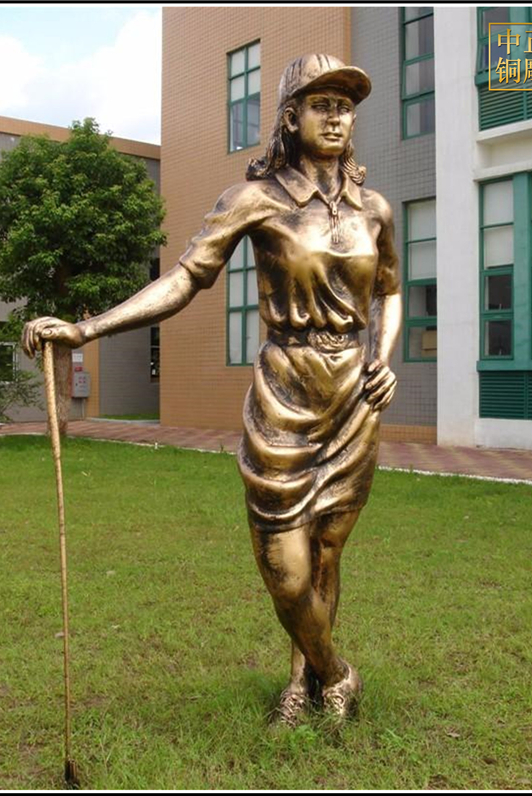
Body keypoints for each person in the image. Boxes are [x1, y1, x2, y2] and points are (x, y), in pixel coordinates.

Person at [22, 54, 402, 728]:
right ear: (291, 116)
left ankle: (304, 682)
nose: (337, 117)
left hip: (354, 394)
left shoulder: (374, 209)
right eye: (322, 104)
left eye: (346, 107)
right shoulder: (254, 199)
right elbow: (184, 279)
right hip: (286, 389)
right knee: (285, 567)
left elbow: (390, 291)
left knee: (326, 550)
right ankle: (337, 670)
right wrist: (88, 328)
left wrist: (384, 355)